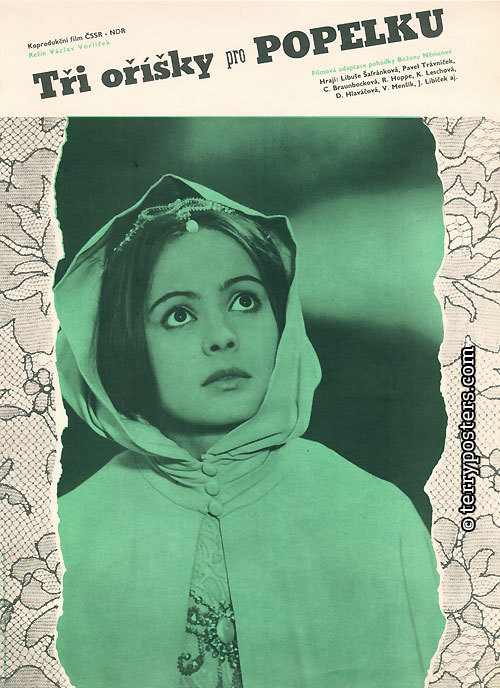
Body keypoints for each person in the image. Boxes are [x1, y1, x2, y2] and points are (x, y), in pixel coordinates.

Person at [55, 173, 444, 688]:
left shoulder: (375, 516)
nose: (221, 337)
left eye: (244, 301)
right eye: (178, 315)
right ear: (127, 344)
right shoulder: (68, 538)